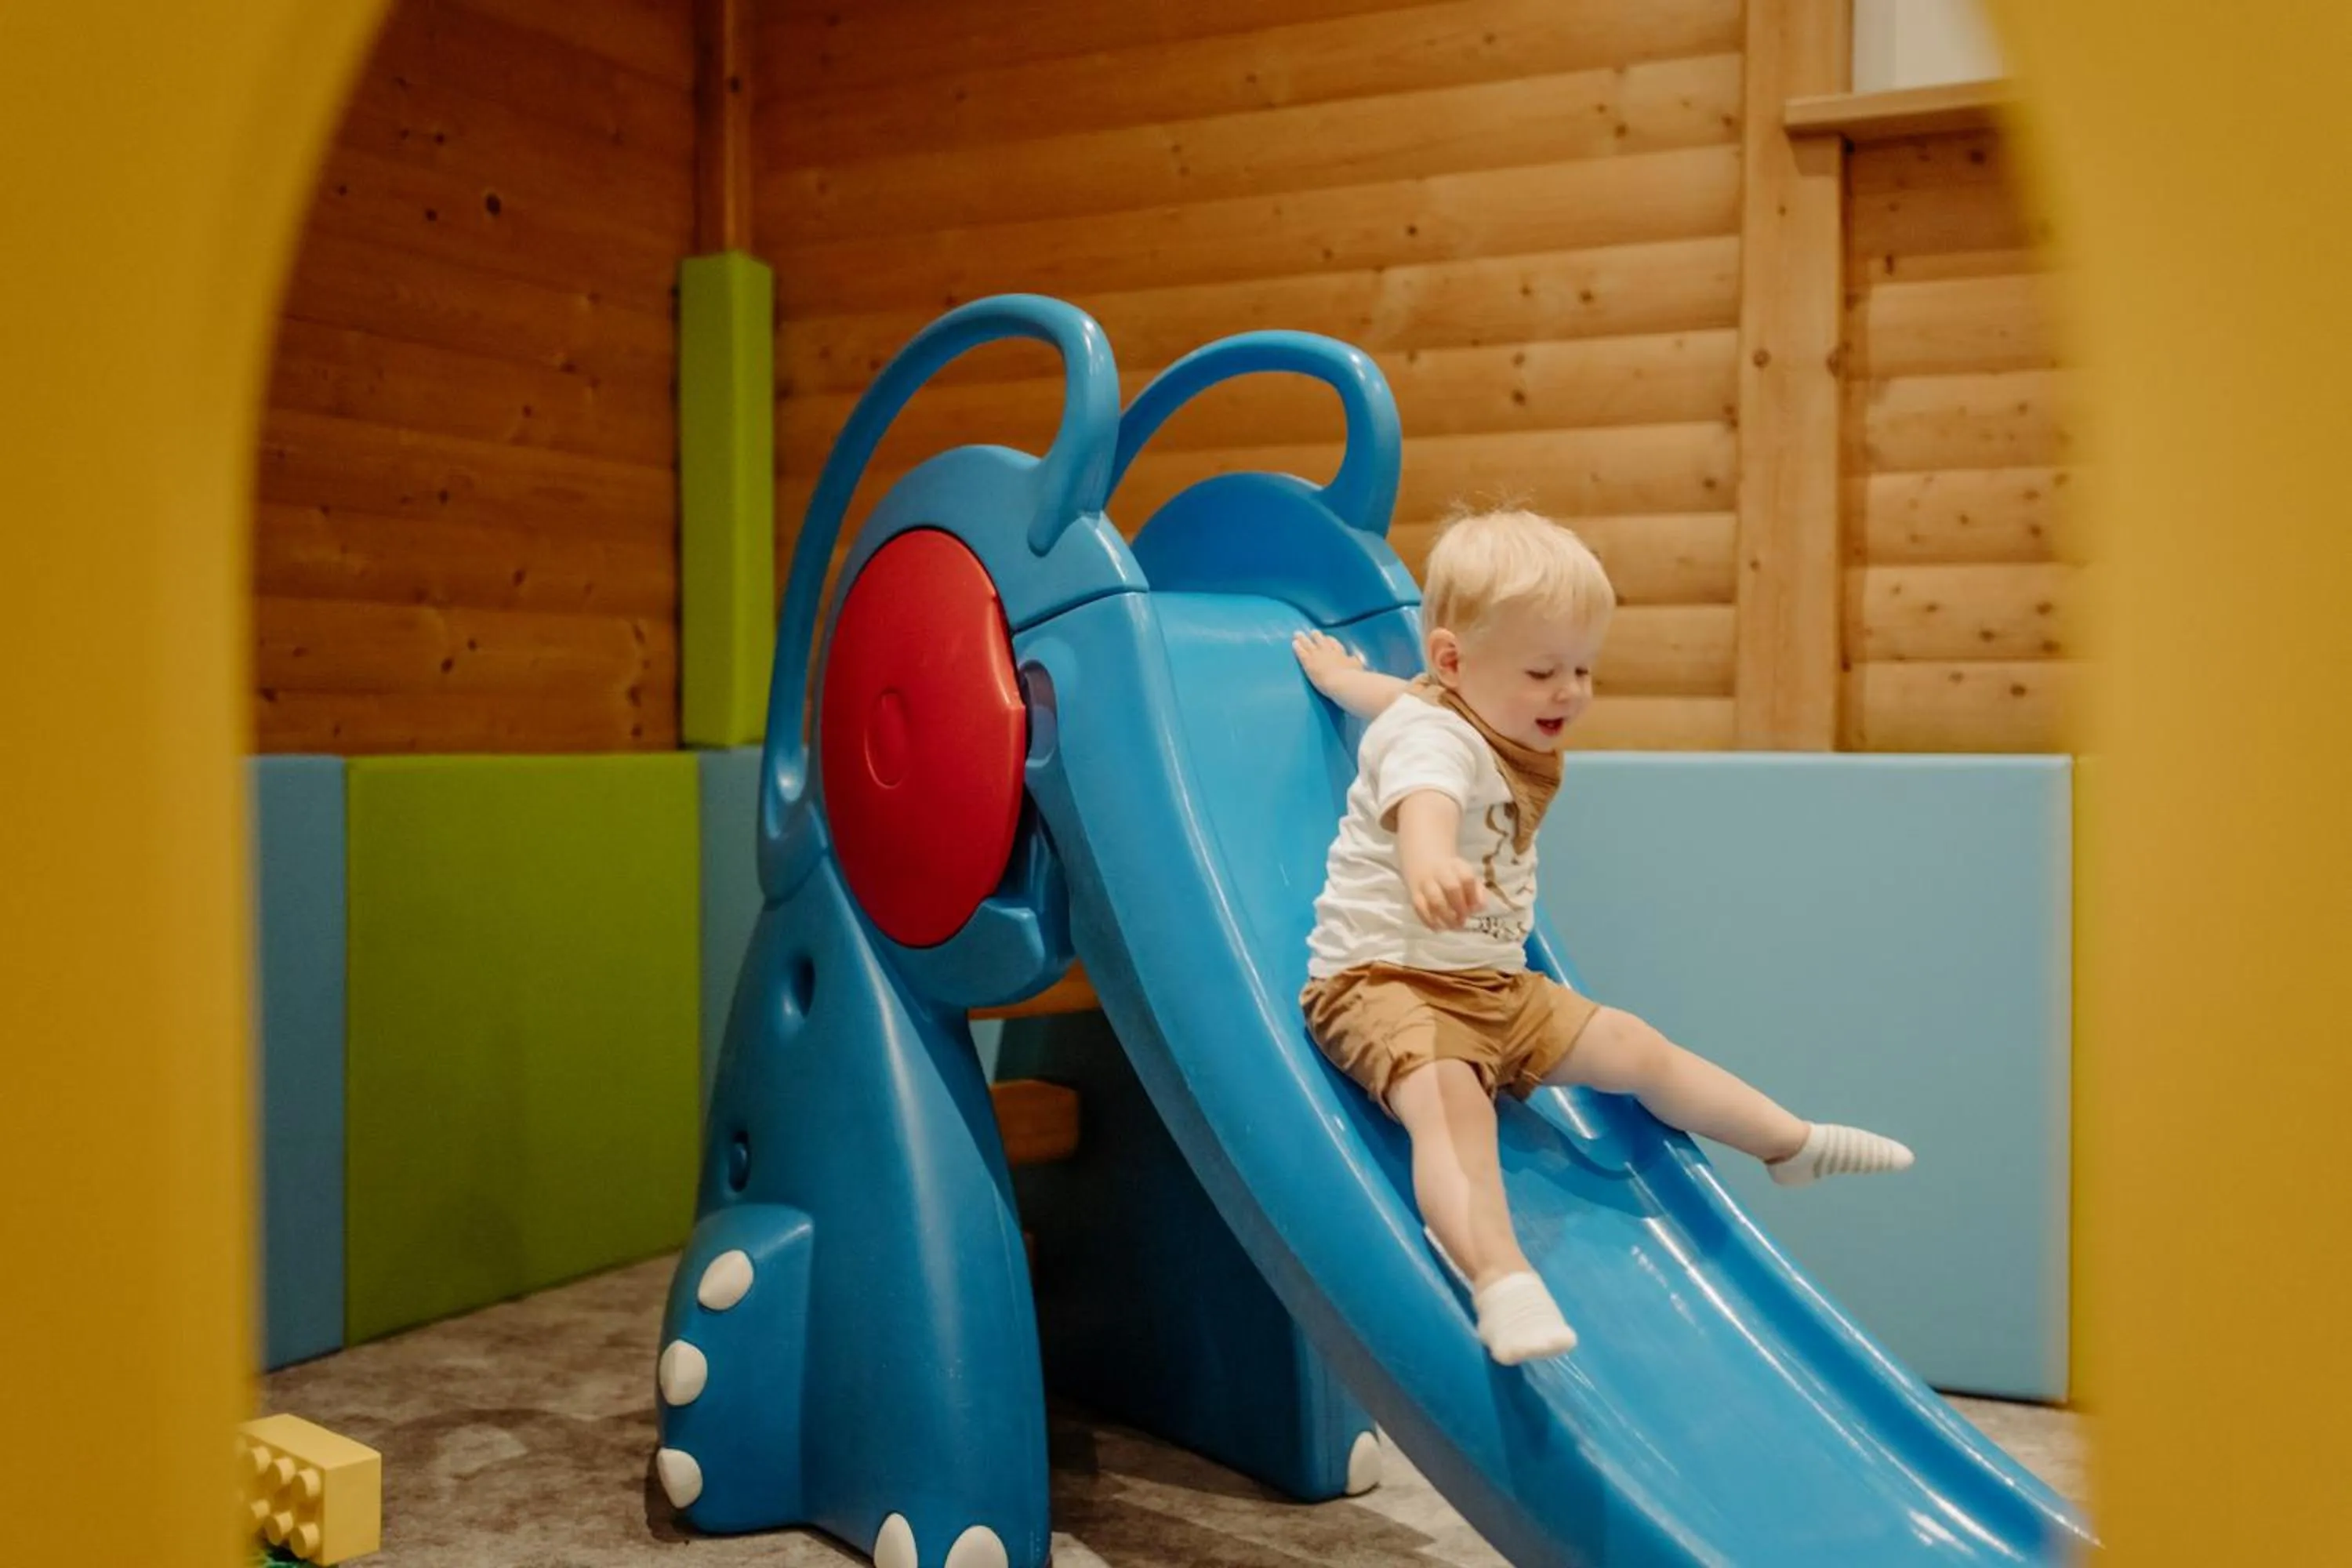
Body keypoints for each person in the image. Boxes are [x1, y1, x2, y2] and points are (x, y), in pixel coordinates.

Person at [1294, 510, 1912, 1365]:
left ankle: (1788, 1142)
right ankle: (1499, 1277)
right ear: (1452, 659)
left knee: (1636, 1046)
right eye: (1544, 669)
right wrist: (1429, 859)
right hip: (1383, 983)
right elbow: (1422, 788)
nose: (1570, 691)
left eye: (1584, 668)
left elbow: (1393, 698)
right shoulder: (1434, 739)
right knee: (1452, 1108)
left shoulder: (1447, 702)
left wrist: (1341, 680)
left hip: (1489, 984)